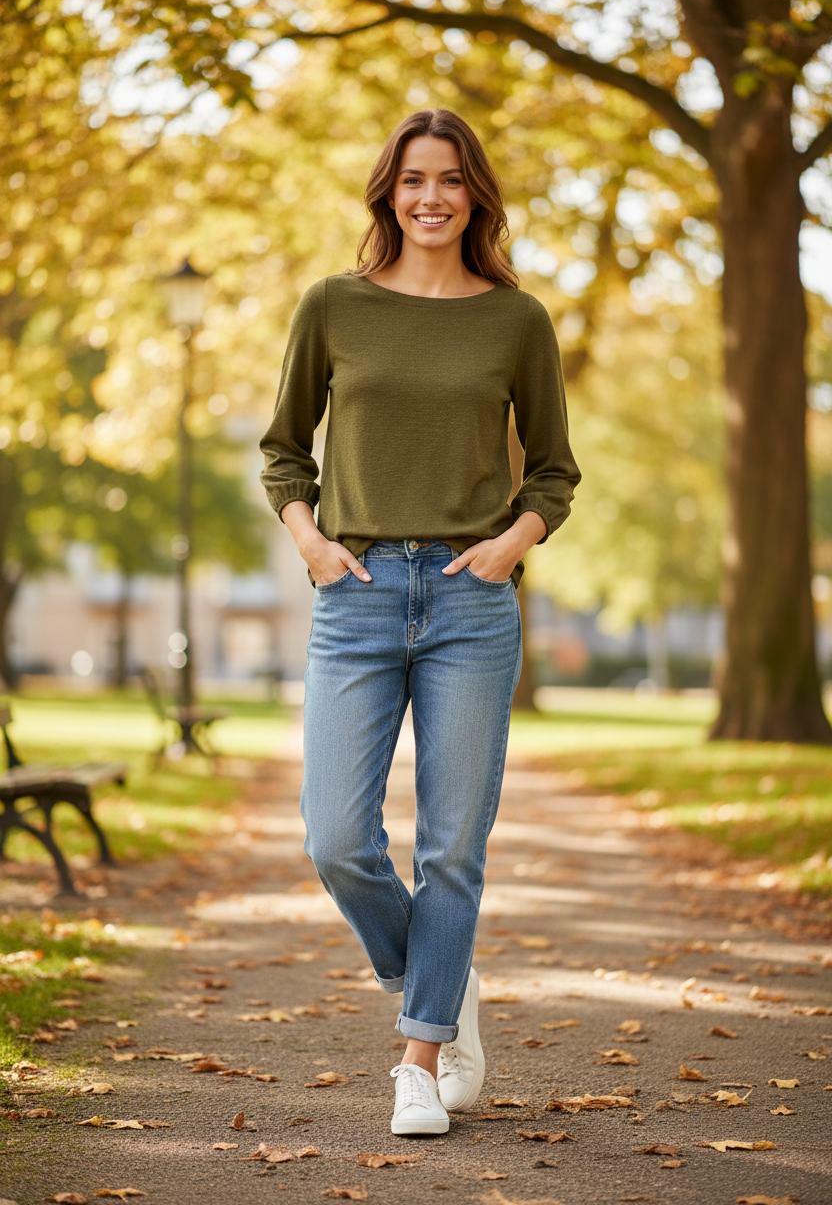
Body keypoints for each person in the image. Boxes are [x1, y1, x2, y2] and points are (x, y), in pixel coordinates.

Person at [260, 108, 580, 1136]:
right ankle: (441, 979)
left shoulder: (515, 319)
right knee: (337, 838)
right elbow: (282, 450)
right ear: (386, 194)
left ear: (474, 193)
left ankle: (418, 1058)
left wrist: (509, 545)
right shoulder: (332, 307)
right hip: (352, 595)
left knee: (453, 851)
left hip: (469, 599)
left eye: (449, 180)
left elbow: (553, 470)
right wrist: (312, 544)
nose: (431, 198)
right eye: (412, 181)